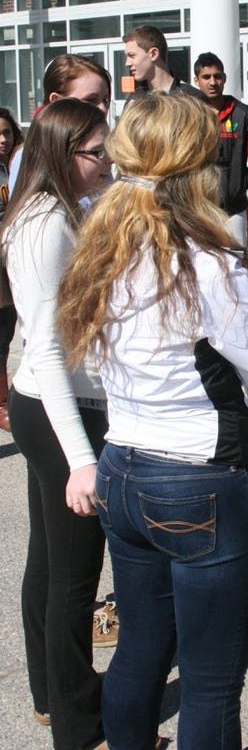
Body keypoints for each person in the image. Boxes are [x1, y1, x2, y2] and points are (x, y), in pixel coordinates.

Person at [57, 92, 248, 750]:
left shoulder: (96, 248)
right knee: (209, 684)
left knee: (139, 651)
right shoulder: (208, 264)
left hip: (124, 467)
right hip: (197, 479)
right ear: (200, 167)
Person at [3, 98, 112, 749]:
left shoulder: (62, 210)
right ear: (63, 154)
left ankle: (51, 698)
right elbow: (44, 349)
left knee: (49, 564)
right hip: (56, 409)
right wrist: (81, 458)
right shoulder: (47, 226)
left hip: (47, 404)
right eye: (96, 151)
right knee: (73, 578)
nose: (107, 161)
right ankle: (80, 729)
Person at [8, 53, 111, 195]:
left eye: (106, 100)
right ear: (56, 101)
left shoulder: (103, 152)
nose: (102, 108)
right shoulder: (31, 155)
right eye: (90, 100)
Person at [194, 51, 248, 248]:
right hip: (199, 208)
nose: (213, 82)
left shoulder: (244, 114)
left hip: (234, 209)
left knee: (237, 265)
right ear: (196, 80)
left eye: (217, 76)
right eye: (206, 77)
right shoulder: (190, 113)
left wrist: (240, 184)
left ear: (224, 79)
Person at [0, 107, 24, 432]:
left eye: (6, 133)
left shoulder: (11, 169)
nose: (2, 140)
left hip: (6, 262)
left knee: (5, 334)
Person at [123, 24, 206, 101]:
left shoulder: (192, 98)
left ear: (153, 54)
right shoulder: (134, 101)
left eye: (132, 56)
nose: (127, 63)